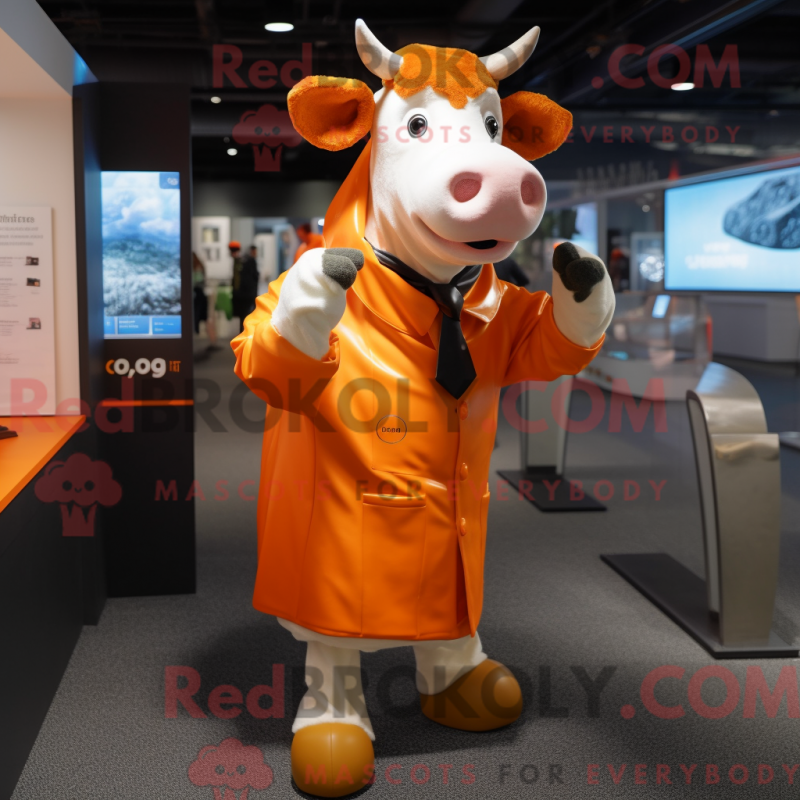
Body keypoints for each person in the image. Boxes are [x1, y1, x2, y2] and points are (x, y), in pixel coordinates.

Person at [230, 241, 259, 332]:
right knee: (245, 316)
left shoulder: (241, 261)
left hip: (243, 295)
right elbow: (255, 277)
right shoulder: (247, 261)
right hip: (246, 295)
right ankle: (245, 333)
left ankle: (244, 333)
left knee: (244, 316)